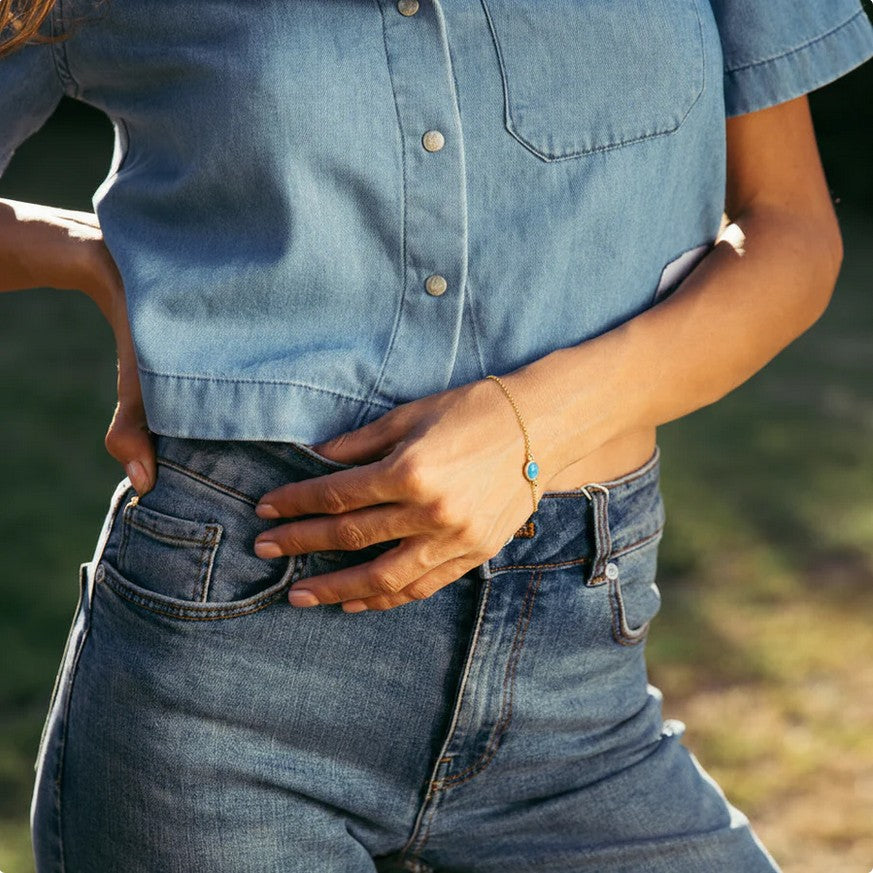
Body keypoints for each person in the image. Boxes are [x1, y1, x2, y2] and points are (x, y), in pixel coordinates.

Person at [2, 1, 872, 870]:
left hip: (581, 684)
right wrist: (90, 257)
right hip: (223, 677)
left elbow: (789, 229)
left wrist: (530, 424)